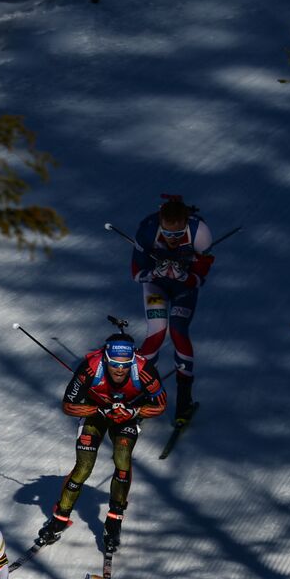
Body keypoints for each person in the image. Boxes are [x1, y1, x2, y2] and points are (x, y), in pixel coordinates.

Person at [37, 332, 166, 553]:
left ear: (133, 361)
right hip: (95, 413)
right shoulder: (90, 367)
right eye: (115, 364)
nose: (120, 369)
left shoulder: (144, 371)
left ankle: (114, 519)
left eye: (126, 365)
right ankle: (60, 517)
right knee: (84, 465)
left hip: (126, 416)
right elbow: (68, 405)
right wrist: (99, 409)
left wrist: (134, 410)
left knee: (122, 459)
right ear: (106, 359)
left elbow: (160, 405)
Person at [129, 195, 213, 421]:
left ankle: (184, 401)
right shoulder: (147, 230)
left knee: (177, 330)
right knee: (156, 333)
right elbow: (136, 274)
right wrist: (154, 273)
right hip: (156, 286)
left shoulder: (200, 232)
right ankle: (141, 393)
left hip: (183, 289)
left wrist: (185, 275)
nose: (172, 239)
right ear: (160, 222)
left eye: (177, 234)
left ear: (186, 222)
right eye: (167, 233)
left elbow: (200, 278)